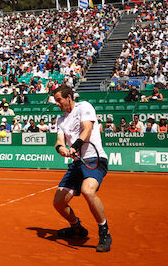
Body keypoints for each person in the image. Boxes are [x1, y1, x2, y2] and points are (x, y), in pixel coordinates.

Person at [52, 85, 111, 252]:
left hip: (94, 159)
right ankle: (77, 227)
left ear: (69, 97)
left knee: (88, 190)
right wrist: (61, 149)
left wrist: (75, 146)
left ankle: (104, 232)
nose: (57, 103)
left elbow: (87, 129)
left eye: (59, 100)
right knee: (58, 203)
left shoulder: (84, 106)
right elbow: (59, 140)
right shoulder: (61, 120)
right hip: (77, 163)